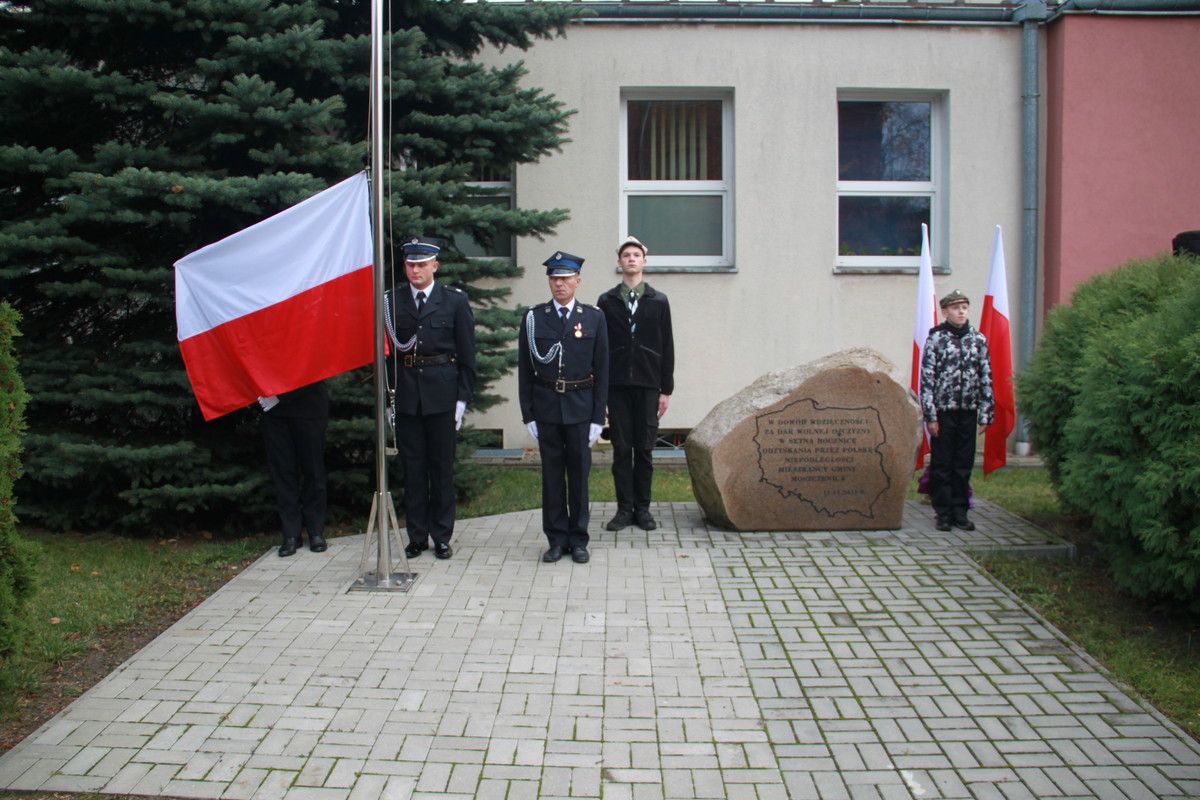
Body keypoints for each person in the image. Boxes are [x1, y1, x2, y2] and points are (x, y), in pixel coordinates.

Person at [385, 237, 477, 560]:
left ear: (434, 266)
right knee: (413, 469)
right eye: (410, 264)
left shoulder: (453, 301)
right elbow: (386, 359)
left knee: (440, 469)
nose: (415, 270)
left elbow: (467, 355)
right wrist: (388, 401)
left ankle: (441, 535)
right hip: (408, 396)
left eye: (422, 264)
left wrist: (462, 401)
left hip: (443, 397)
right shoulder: (391, 302)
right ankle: (416, 536)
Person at [518, 251, 609, 564]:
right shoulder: (534, 318)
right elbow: (525, 369)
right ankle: (556, 539)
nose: (560, 283)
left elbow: (603, 369)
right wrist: (528, 413)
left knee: (579, 477)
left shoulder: (594, 317)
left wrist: (599, 417)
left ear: (577, 281)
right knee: (553, 477)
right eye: (555, 277)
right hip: (546, 409)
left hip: (581, 409)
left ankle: (579, 539)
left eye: (566, 277)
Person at [596, 236, 674, 532]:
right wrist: (600, 389)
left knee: (644, 450)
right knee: (621, 449)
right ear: (619, 262)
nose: (631, 259)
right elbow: (599, 348)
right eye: (626, 255)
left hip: (648, 385)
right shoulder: (607, 301)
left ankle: (643, 510)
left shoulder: (658, 301)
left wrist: (666, 390)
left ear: (644, 262)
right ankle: (623, 509)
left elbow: (667, 346)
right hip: (616, 386)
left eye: (636, 255)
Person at [920, 289, 994, 532]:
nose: (961, 311)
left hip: (968, 410)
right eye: (955, 308)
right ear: (945, 312)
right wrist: (930, 416)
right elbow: (927, 379)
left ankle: (960, 511)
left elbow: (986, 378)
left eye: (964, 307)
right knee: (943, 464)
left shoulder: (978, 340)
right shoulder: (936, 339)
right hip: (944, 411)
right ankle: (943, 513)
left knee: (963, 463)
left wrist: (986, 414)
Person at [259, 381, 329, 557]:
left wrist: (279, 397)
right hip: (275, 411)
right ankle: (291, 534)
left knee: (314, 471)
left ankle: (316, 532)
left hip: (309, 406)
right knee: (283, 472)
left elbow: (314, 367)